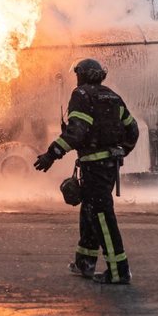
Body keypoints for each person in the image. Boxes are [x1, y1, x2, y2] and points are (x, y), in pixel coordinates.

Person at [33, 58, 139, 285]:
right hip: (107, 167)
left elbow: (76, 133)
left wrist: (51, 155)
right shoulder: (113, 96)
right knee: (90, 211)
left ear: (81, 75)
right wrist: (120, 152)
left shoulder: (81, 95)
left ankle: (119, 271)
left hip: (94, 167)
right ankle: (85, 262)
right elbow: (133, 130)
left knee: (102, 215)